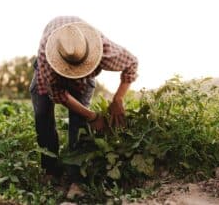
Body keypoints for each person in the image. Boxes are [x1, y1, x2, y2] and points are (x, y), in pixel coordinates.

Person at [29, 16, 138, 194]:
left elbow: (132, 63)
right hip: (50, 76)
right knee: (42, 116)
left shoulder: (102, 49)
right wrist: (93, 116)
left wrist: (118, 99)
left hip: (85, 75)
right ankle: (50, 170)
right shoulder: (47, 58)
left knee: (79, 124)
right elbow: (58, 95)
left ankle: (77, 178)